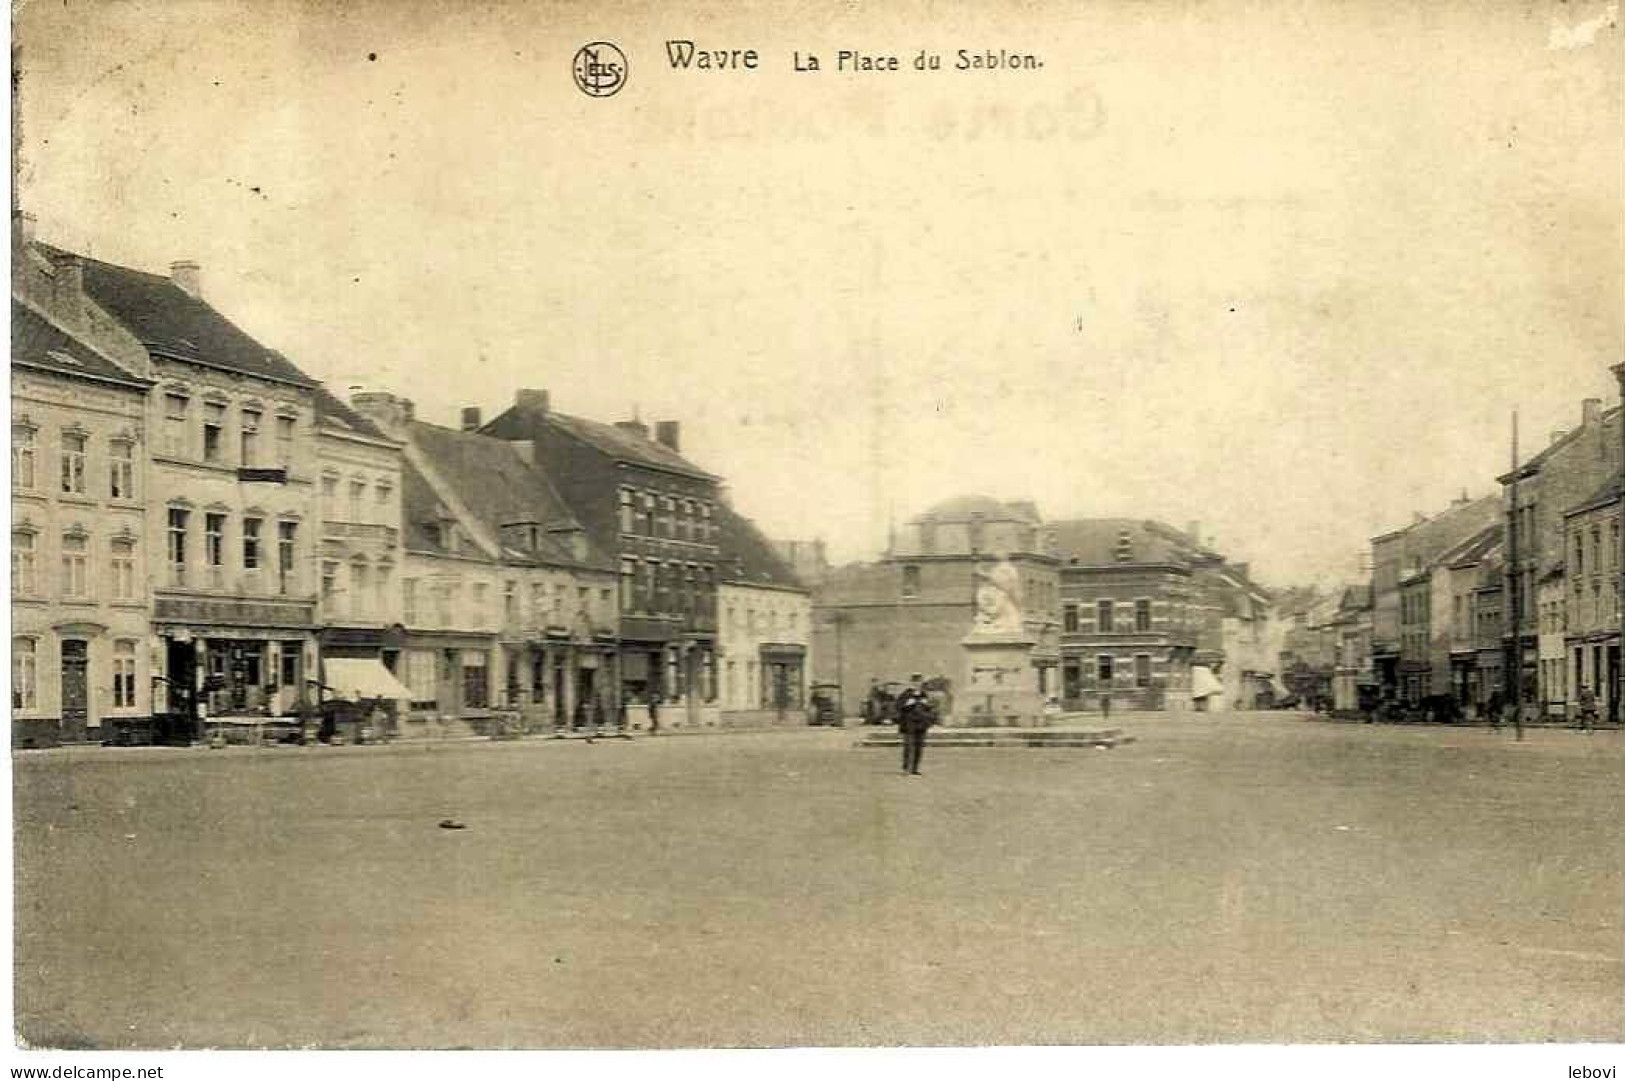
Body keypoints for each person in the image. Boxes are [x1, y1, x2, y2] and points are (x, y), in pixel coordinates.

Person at [894, 673, 937, 776]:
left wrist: (927, 706)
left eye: (919, 682)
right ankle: (906, 768)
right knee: (909, 747)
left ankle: (915, 768)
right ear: (911, 682)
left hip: (921, 724)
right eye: (915, 682)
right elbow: (898, 706)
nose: (918, 684)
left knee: (919, 747)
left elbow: (930, 708)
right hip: (909, 724)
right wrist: (908, 703)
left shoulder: (924, 694)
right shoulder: (905, 694)